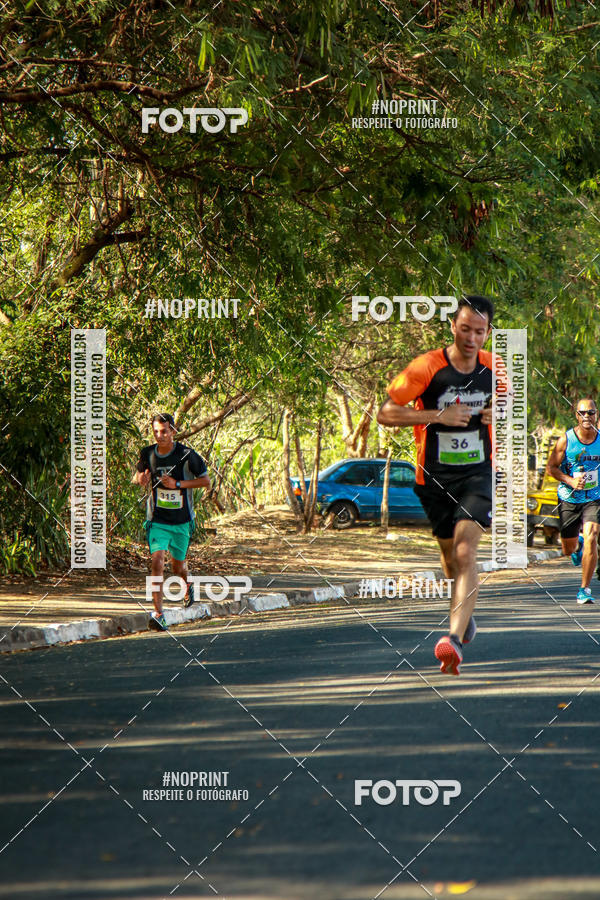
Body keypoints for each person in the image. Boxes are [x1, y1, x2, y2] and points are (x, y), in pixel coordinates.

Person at [377, 295, 498, 675]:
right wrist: (438, 415)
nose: (471, 338)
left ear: (488, 333)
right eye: (465, 329)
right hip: (433, 477)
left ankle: (454, 640)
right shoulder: (427, 367)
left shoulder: (495, 369)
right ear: (452, 326)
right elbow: (386, 412)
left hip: (479, 474)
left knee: (465, 552)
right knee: (449, 558)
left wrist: (501, 412)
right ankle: (464, 614)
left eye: (479, 331)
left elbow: (510, 410)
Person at [133, 413, 211, 630]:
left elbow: (206, 481)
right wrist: (142, 479)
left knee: (178, 567)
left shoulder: (187, 454)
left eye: (164, 431)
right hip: (157, 520)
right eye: (156, 431)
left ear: (173, 431)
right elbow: (137, 476)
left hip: (182, 521)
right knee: (157, 561)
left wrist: (177, 485)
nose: (160, 436)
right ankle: (159, 614)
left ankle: (188, 583)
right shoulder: (148, 453)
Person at [546, 399, 600, 604]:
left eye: (591, 412)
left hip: (595, 497)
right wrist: (570, 480)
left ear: (596, 415)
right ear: (576, 415)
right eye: (583, 413)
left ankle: (584, 589)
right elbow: (551, 468)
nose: (587, 416)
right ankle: (576, 546)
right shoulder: (566, 440)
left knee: (592, 536)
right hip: (569, 498)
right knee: (567, 549)